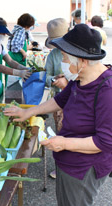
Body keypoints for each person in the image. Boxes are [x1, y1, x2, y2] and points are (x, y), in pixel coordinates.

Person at [4, 24, 111, 206]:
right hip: (67, 161)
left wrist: (63, 143)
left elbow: (105, 142)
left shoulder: (107, 91)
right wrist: (29, 112)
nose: (61, 61)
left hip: (83, 169)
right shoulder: (79, 79)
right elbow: (60, 100)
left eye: (64, 57)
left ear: (82, 60)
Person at [0, 16, 31, 102]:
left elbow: (10, 61)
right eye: (0, 33)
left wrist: (23, 68)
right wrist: (18, 73)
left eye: (4, 33)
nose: (3, 36)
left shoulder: (0, 46)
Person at [44, 18, 69, 179]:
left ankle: (73, 166)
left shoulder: (77, 51)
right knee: (61, 132)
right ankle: (60, 167)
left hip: (79, 99)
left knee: (77, 133)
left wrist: (67, 80)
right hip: (59, 101)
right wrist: (55, 80)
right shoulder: (53, 55)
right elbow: (45, 77)